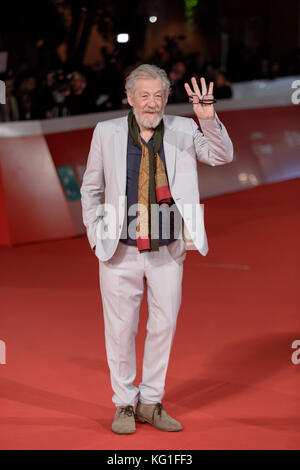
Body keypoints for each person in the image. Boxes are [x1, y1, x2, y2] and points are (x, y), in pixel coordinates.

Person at [80, 64, 233, 435]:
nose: (152, 103)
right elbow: (91, 188)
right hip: (120, 249)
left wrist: (208, 118)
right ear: (129, 97)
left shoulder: (183, 128)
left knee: (163, 325)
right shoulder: (107, 132)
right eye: (144, 95)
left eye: (159, 96)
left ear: (167, 98)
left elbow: (222, 156)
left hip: (168, 248)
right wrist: (95, 231)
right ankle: (123, 403)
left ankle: (150, 401)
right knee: (121, 330)